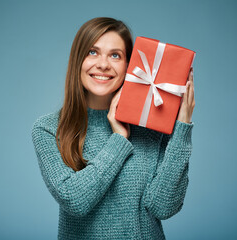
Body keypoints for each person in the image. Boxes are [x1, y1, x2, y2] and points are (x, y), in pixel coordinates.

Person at [32, 17, 195, 240]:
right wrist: (119, 138)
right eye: (92, 52)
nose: (103, 64)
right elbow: (75, 200)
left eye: (115, 55)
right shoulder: (49, 129)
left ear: (129, 66)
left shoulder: (150, 127)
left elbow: (164, 207)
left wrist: (182, 127)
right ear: (77, 60)